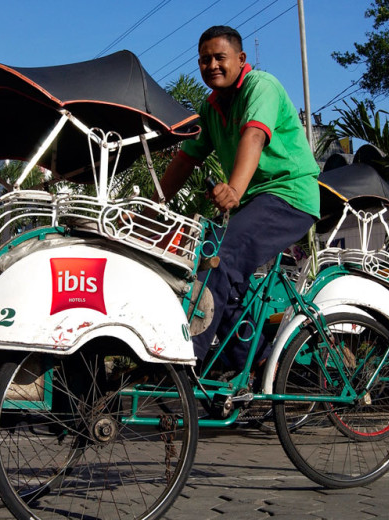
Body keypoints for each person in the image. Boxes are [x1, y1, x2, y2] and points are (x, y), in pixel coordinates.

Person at [156, 25, 320, 371]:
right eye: (204, 60)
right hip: (253, 202)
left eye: (219, 57)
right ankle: (257, 360)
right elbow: (187, 158)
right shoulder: (211, 105)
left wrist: (234, 189)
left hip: (288, 195)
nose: (211, 65)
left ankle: (184, 360)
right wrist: (155, 203)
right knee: (208, 266)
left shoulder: (262, 86)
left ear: (241, 59)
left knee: (220, 258)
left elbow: (255, 135)